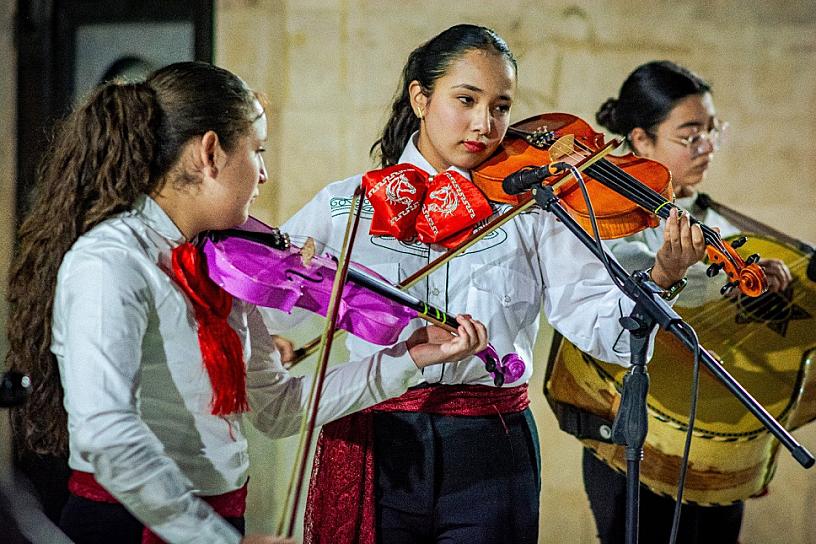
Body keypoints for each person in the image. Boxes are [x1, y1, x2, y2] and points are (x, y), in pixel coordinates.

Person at [4, 61, 490, 544]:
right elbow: (107, 437)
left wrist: (408, 358)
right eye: (258, 151)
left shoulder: (222, 261)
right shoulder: (111, 262)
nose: (264, 173)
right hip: (132, 526)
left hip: (219, 516)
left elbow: (278, 407)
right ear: (209, 153)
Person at [275, 25, 705, 544]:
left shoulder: (536, 209)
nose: (485, 124)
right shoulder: (349, 203)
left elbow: (596, 324)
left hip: (491, 448)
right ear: (420, 97)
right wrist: (273, 337)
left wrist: (661, 277)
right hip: (375, 438)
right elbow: (267, 297)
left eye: (501, 107)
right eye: (466, 100)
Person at [581, 60, 793, 543]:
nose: (707, 147)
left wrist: (765, 282)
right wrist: (686, 278)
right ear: (640, 140)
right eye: (690, 135)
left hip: (707, 436)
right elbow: (619, 300)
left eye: (712, 130)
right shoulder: (612, 221)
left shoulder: (714, 219)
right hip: (637, 434)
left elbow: (734, 303)